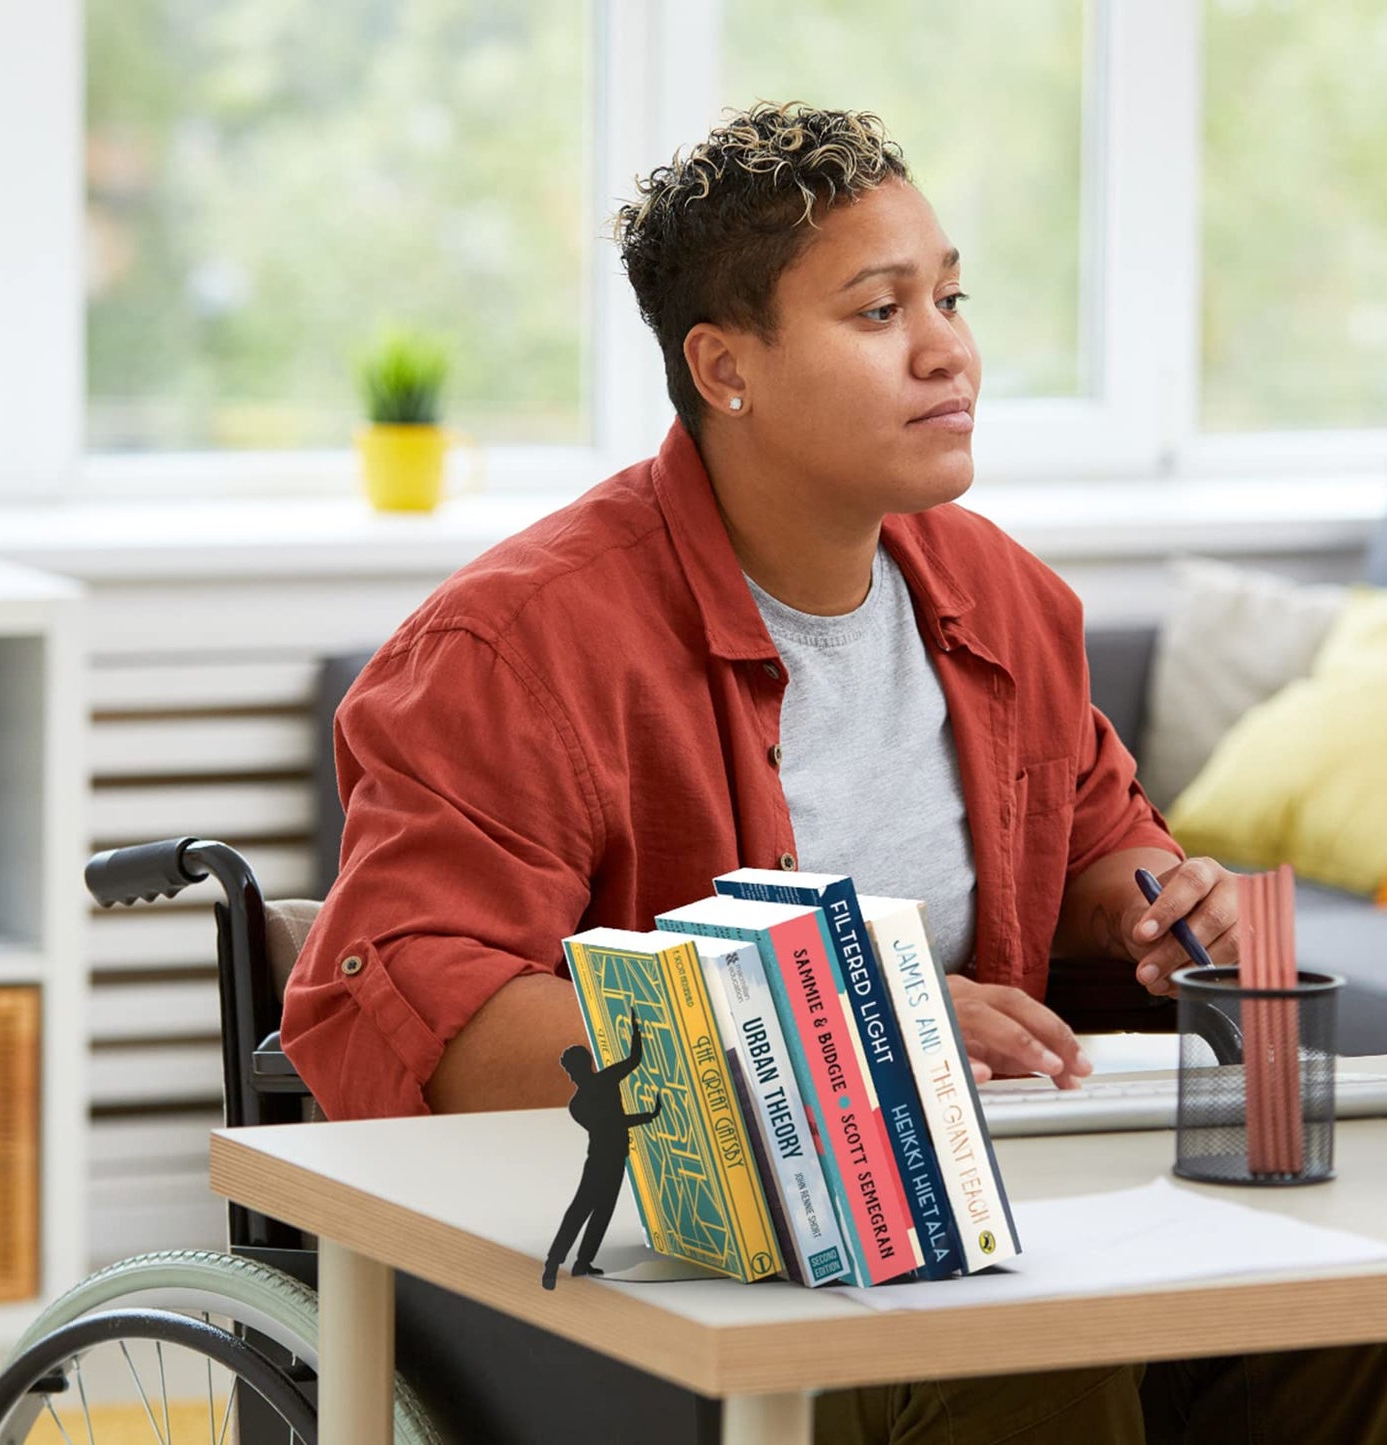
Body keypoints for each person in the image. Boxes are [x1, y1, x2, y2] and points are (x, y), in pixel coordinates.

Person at [282, 103, 1385, 1443]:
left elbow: (1096, 835)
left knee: (1342, 1317)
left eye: (952, 296)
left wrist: (1155, 903)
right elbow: (419, 1012)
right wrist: (852, 1046)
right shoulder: (511, 649)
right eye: (877, 313)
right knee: (1031, 1350)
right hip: (646, 1246)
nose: (948, 350)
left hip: (959, 1209)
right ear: (725, 366)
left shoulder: (1006, 599)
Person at [544, 1009, 662, 1290]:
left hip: (610, 1157)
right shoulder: (588, 1095)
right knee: (585, 1210)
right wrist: (648, 1116)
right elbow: (613, 1123)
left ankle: (578, 1263)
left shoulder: (581, 1100)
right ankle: (556, 1263)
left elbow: (634, 1061)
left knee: (595, 1210)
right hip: (603, 1160)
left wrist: (637, 1031)